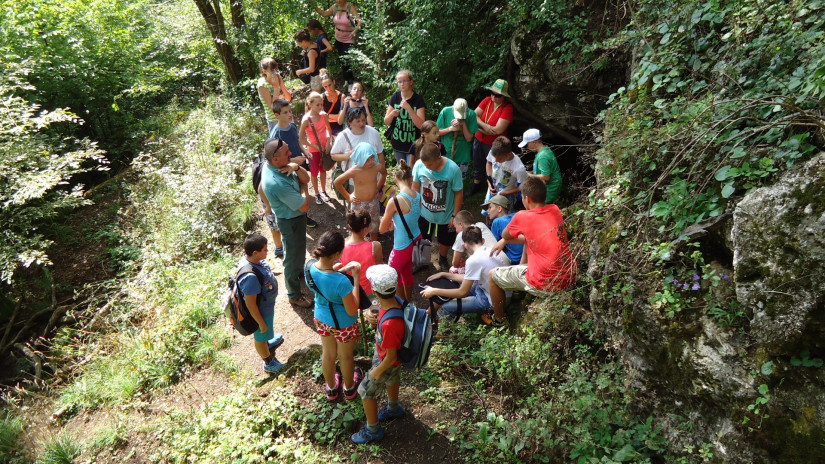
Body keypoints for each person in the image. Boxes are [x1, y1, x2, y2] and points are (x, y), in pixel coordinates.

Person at [486, 177, 577, 325]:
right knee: (530, 242)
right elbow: (530, 236)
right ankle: (517, 292)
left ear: (526, 199)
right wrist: (506, 240)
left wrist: (504, 240)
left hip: (546, 284)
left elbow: (505, 235)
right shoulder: (554, 209)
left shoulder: (522, 216)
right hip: (569, 276)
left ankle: (499, 320)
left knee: (492, 276)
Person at [352, 264, 407, 444]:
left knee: (365, 390)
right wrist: (371, 314)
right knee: (392, 379)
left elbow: (390, 358)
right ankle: (393, 408)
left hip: (388, 360)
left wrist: (377, 371)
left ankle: (373, 430)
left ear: (375, 291)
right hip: (388, 356)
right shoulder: (396, 300)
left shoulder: (389, 325)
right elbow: (376, 307)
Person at [306, 231, 364, 401]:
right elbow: (352, 309)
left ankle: (331, 388)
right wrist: (356, 278)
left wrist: (340, 269)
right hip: (343, 324)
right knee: (345, 357)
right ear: (337, 254)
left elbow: (325, 278)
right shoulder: (342, 282)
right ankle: (350, 389)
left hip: (321, 319)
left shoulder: (309, 266)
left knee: (328, 353)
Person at [259, 138, 315, 308]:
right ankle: (294, 294)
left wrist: (296, 167)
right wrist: (304, 188)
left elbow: (260, 187)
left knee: (299, 250)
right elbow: (305, 205)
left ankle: (298, 274)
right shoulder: (276, 182)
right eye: (286, 153)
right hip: (290, 221)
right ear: (275, 158)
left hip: (294, 217)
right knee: (291, 256)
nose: (291, 154)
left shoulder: (271, 165)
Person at [420, 226, 501, 319]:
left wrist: (433, 291)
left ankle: (443, 332)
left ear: (465, 245)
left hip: (489, 300)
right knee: (452, 285)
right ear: (482, 240)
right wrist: (444, 274)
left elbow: (462, 292)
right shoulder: (490, 250)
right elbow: (466, 278)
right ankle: (429, 315)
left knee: (445, 308)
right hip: (489, 291)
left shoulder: (473, 260)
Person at [237, 233, 285, 374]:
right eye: (265, 249)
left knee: (265, 333)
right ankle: (268, 362)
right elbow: (251, 305)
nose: (268, 251)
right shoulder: (250, 277)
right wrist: (261, 323)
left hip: (266, 308)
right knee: (260, 334)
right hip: (260, 313)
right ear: (255, 253)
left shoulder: (253, 261)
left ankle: (267, 342)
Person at [412, 142, 463, 271]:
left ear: (438, 158)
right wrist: (415, 208)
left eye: (429, 165)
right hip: (424, 213)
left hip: (446, 215)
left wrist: (455, 215)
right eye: (425, 165)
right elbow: (415, 188)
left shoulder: (453, 169)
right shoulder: (419, 165)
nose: (427, 168)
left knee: (445, 239)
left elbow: (458, 193)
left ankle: (443, 258)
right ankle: (422, 261)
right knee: (422, 237)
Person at [268, 99, 319, 227]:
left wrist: (304, 151)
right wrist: (293, 160)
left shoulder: (292, 126)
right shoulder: (276, 135)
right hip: (287, 168)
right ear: (277, 115)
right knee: (295, 192)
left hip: (299, 164)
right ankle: (301, 218)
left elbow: (297, 142)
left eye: (290, 111)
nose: (290, 114)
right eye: (285, 112)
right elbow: (276, 160)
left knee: (303, 185)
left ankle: (304, 216)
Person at [378, 159, 420, 301]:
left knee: (392, 277)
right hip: (415, 239)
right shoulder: (417, 195)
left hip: (401, 246)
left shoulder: (395, 201)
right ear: (411, 178)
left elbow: (382, 229)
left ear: (395, 178)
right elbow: (409, 217)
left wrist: (388, 221)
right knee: (406, 272)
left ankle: (399, 305)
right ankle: (407, 301)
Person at [333, 142, 387, 241]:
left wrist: (377, 188)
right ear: (360, 158)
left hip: (373, 202)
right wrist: (348, 197)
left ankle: (373, 246)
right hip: (358, 203)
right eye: (367, 159)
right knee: (358, 227)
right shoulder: (354, 170)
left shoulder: (376, 166)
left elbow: (384, 174)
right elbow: (337, 182)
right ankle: (358, 246)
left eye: (372, 158)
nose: (370, 161)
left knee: (374, 225)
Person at [469, 79, 514, 197]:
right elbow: (474, 115)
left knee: (494, 165)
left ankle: (492, 186)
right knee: (477, 161)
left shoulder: (507, 108)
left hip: (494, 144)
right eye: (492, 93)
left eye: (498, 95)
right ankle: (476, 184)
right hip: (479, 138)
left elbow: (497, 130)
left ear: (504, 96)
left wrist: (478, 126)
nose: (494, 97)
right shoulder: (487, 101)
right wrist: (485, 127)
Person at [330, 106, 386, 195]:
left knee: (375, 206)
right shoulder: (343, 136)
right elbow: (333, 155)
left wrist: (382, 176)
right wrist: (347, 156)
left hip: (375, 179)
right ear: (349, 122)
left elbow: (380, 154)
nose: (362, 123)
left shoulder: (373, 133)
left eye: (363, 120)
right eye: (358, 121)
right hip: (355, 182)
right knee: (357, 206)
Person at [312, 0, 362, 83]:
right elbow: (324, 13)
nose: (338, 1)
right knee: (342, 60)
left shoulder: (350, 7)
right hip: (338, 38)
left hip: (349, 38)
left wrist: (355, 31)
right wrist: (313, 5)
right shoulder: (335, 7)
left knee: (345, 60)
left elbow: (360, 21)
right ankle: (347, 79)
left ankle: (350, 81)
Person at [384, 70, 426, 165]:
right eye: (399, 81)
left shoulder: (418, 100)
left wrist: (409, 109)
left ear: (411, 82)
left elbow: (422, 126)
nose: (402, 84)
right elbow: (386, 121)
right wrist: (392, 114)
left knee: (411, 172)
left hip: (413, 144)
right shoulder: (395, 97)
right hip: (397, 143)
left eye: (404, 81)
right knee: (402, 172)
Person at [299, 92, 333, 205]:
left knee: (323, 170)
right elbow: (301, 139)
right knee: (314, 173)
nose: (320, 107)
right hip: (313, 151)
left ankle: (323, 191)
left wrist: (328, 141)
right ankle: (317, 193)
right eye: (317, 105)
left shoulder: (324, 115)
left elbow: (328, 129)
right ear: (310, 104)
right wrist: (314, 146)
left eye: (321, 104)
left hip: (325, 149)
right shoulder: (306, 120)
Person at [340, 209, 383, 299]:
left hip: (349, 293)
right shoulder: (375, 246)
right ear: (367, 229)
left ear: (349, 227)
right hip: (369, 292)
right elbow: (380, 269)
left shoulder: (341, 246)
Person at [484, 136, 529, 212]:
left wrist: (506, 193)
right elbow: (489, 163)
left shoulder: (519, 168)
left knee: (504, 217)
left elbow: (524, 186)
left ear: (508, 154)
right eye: (494, 157)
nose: (496, 160)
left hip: (506, 196)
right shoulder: (494, 151)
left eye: (500, 159)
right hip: (492, 191)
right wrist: (489, 181)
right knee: (488, 212)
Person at [437, 98, 477, 179]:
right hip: (446, 154)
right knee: (444, 180)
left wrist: (463, 123)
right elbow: (436, 133)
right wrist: (450, 129)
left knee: (458, 182)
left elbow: (469, 139)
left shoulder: (471, 114)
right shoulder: (445, 112)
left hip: (463, 155)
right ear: (453, 109)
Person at [520, 128, 562, 205]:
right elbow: (543, 169)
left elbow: (546, 176)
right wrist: (532, 172)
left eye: (527, 145)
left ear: (533, 142)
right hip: (546, 186)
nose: (527, 147)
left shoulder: (543, 157)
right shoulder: (543, 151)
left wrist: (529, 175)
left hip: (550, 188)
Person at [485, 194, 524, 265]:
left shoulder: (497, 221)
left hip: (513, 260)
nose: (487, 211)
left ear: (499, 208)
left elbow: (494, 244)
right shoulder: (515, 215)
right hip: (524, 256)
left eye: (490, 207)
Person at [257, 58, 292, 133]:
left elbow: (288, 98)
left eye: (275, 70)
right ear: (264, 71)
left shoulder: (277, 78)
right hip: (275, 121)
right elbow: (272, 108)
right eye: (272, 70)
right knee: (279, 144)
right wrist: (276, 88)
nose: (275, 72)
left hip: (286, 116)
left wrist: (280, 84)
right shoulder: (262, 85)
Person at [320, 70, 345, 135]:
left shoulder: (341, 96)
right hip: (325, 128)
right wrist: (335, 117)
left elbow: (341, 118)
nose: (328, 88)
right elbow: (320, 117)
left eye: (329, 85)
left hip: (338, 129)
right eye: (325, 87)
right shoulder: (322, 97)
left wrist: (327, 116)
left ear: (334, 82)